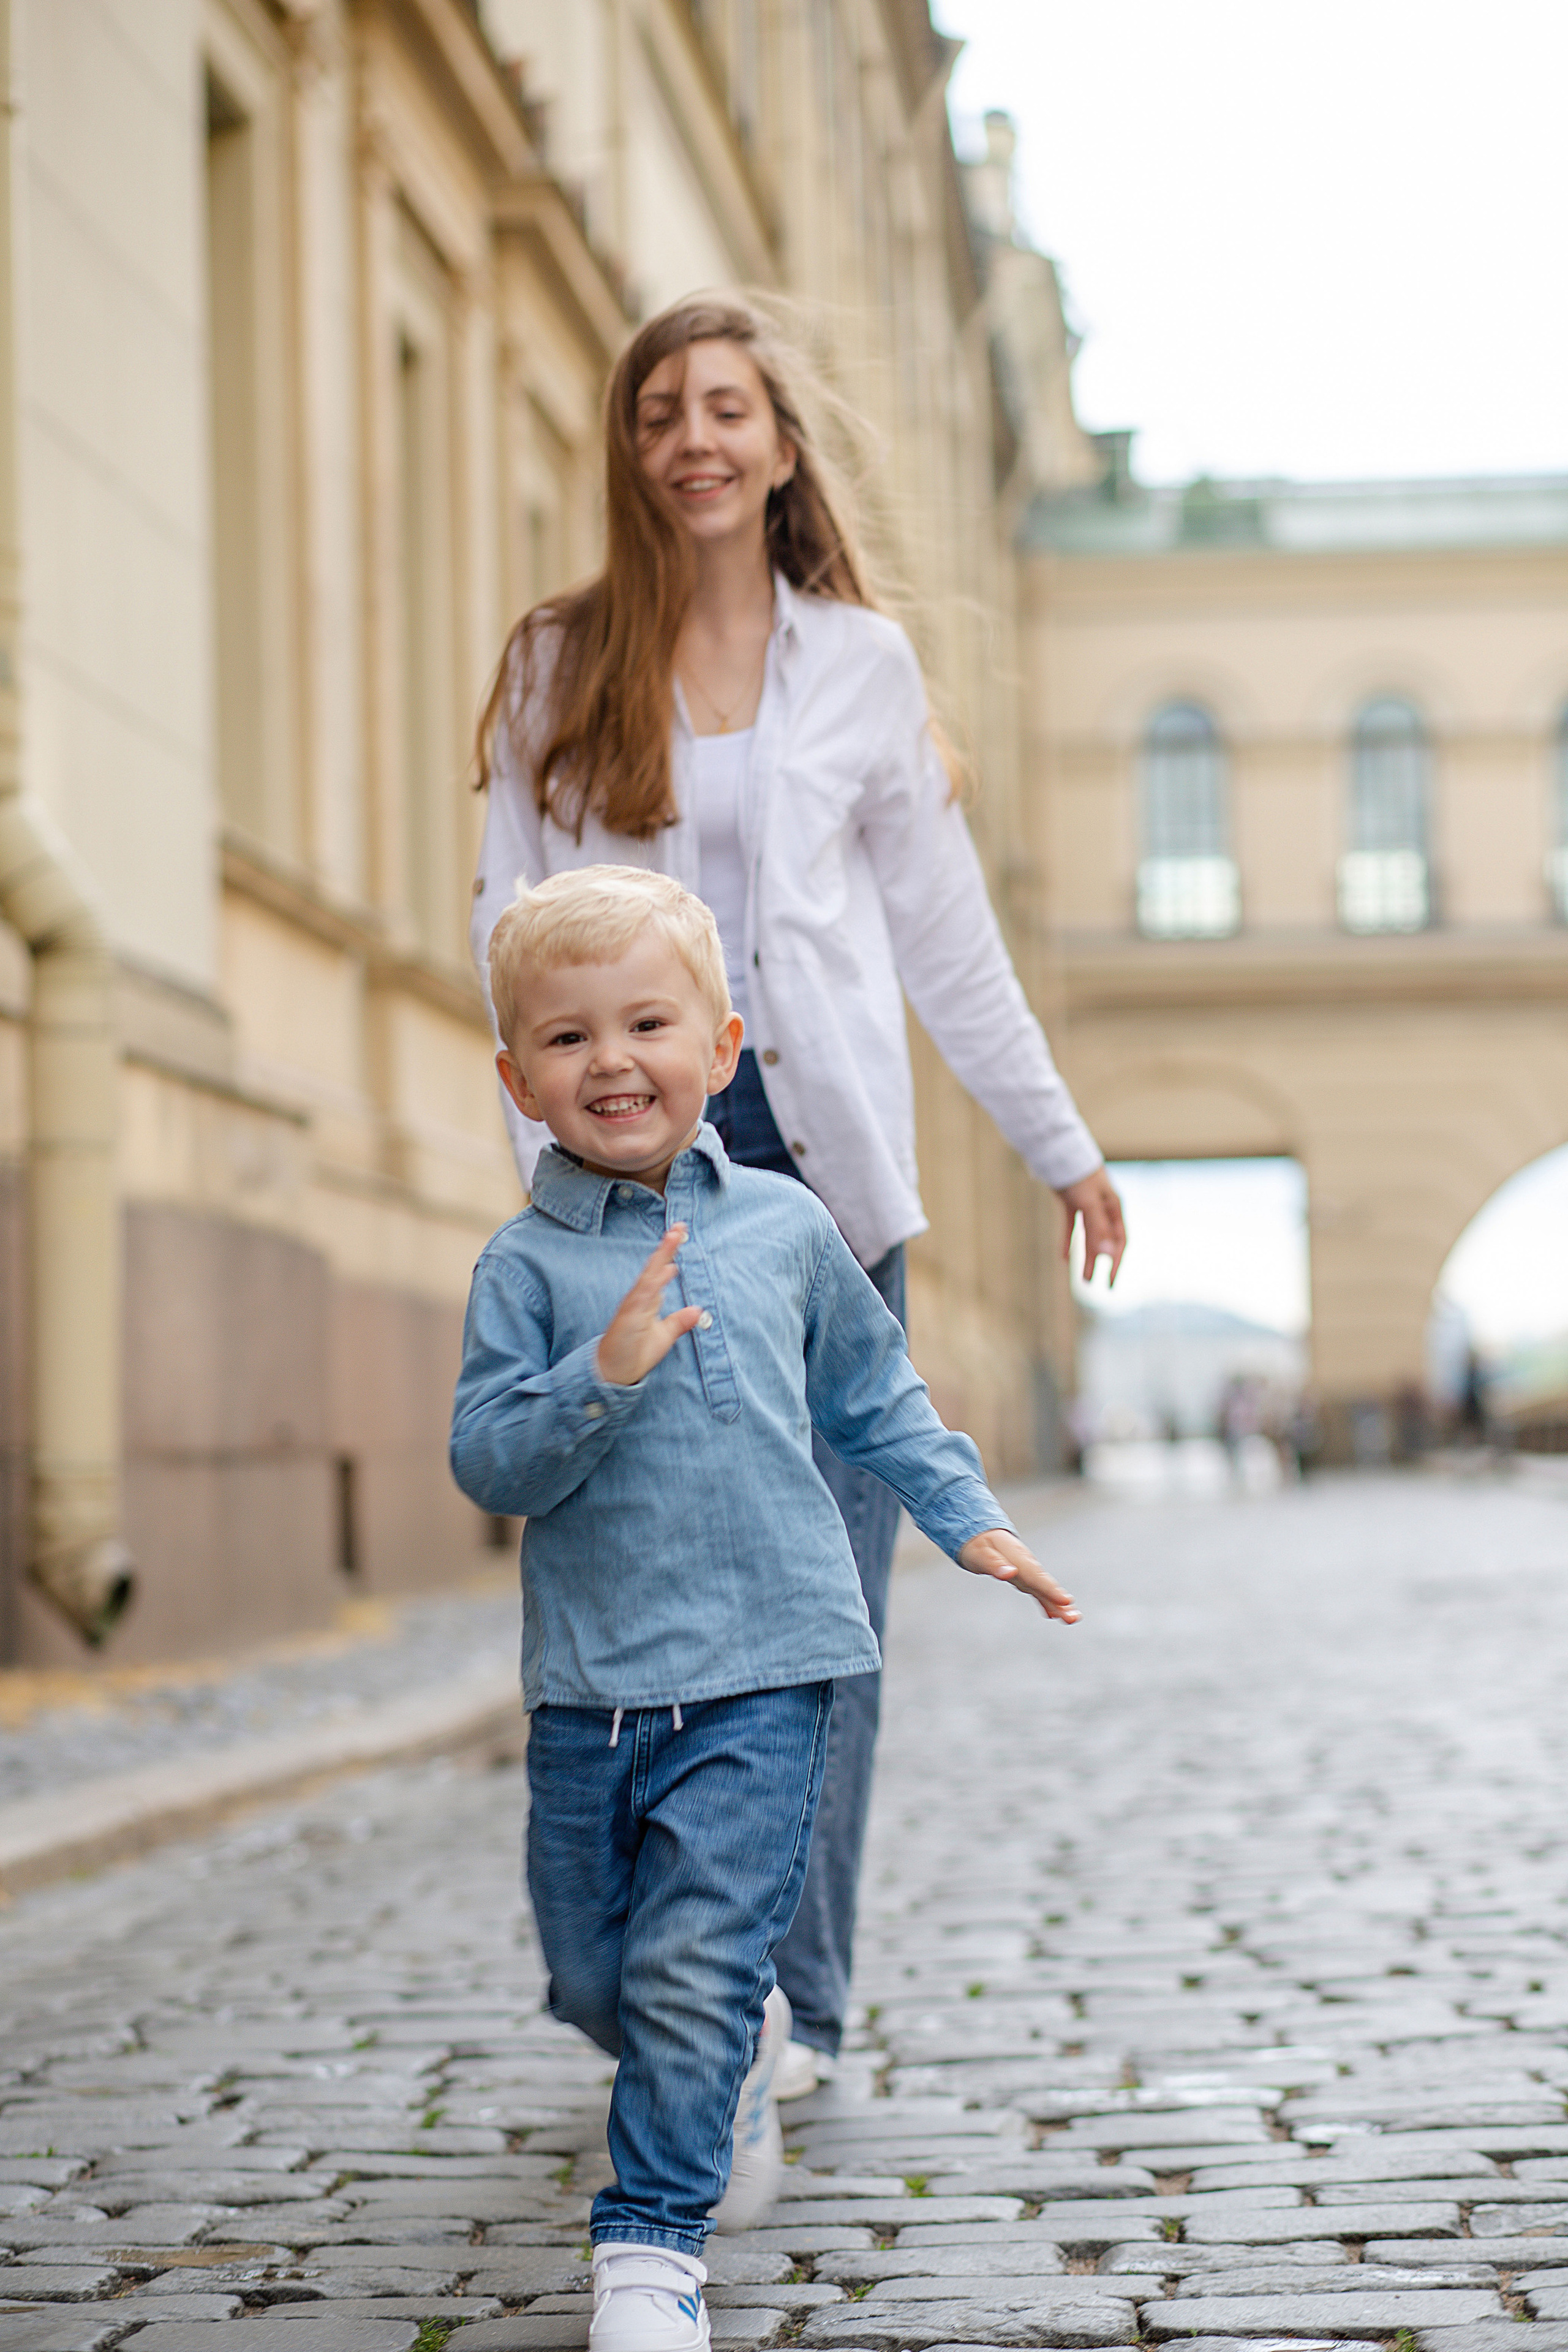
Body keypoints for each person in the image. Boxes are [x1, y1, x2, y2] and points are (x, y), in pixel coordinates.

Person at [470, 292, 1124, 2094]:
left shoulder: (863, 668)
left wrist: (1056, 1139)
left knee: (826, 1620)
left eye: (728, 407)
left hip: (824, 1203)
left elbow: (945, 939)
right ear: (629, 449)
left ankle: (780, 2005)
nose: (694, 437)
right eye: (661, 410)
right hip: (624, 1206)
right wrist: (538, 1190)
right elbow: (500, 931)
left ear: (778, 443)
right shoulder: (555, 664)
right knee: (639, 1613)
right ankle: (660, 1981)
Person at [450, 865, 1079, 2352]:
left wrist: (968, 1520)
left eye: (647, 1023)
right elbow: (487, 1461)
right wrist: (595, 1378)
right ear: (515, 1078)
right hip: (591, 1687)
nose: (612, 1062)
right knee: (596, 1970)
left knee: (691, 1959)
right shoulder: (521, 1268)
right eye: (567, 1038)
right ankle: (723, 2052)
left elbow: (877, 1398)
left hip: (770, 1676)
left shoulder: (792, 1229)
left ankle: (651, 2256)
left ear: (722, 1049)